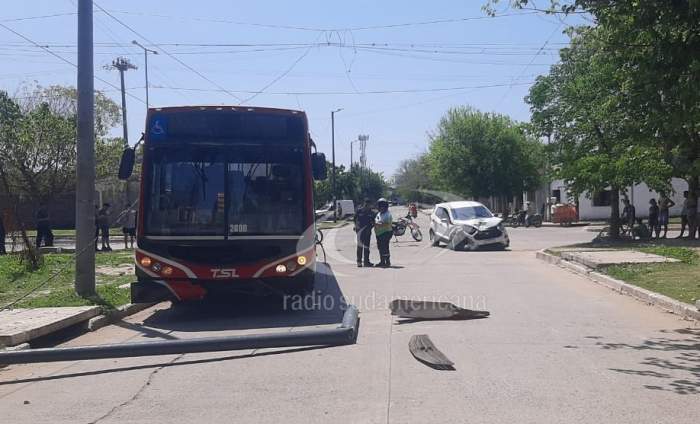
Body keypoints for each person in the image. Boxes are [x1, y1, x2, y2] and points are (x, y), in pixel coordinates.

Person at [353, 199, 376, 267]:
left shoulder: (371, 213)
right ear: (364, 204)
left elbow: (373, 222)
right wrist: (355, 226)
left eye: (368, 205)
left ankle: (366, 262)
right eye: (366, 204)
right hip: (360, 231)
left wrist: (371, 227)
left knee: (366, 247)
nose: (367, 206)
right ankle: (359, 262)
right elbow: (354, 219)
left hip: (367, 231)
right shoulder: (359, 210)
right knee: (360, 247)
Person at [374, 198, 393, 268]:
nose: (381, 207)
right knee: (380, 248)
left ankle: (387, 262)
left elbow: (387, 224)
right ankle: (382, 261)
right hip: (379, 234)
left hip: (386, 233)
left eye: (382, 206)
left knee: (385, 247)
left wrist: (379, 225)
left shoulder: (387, 214)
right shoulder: (379, 214)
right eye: (380, 206)